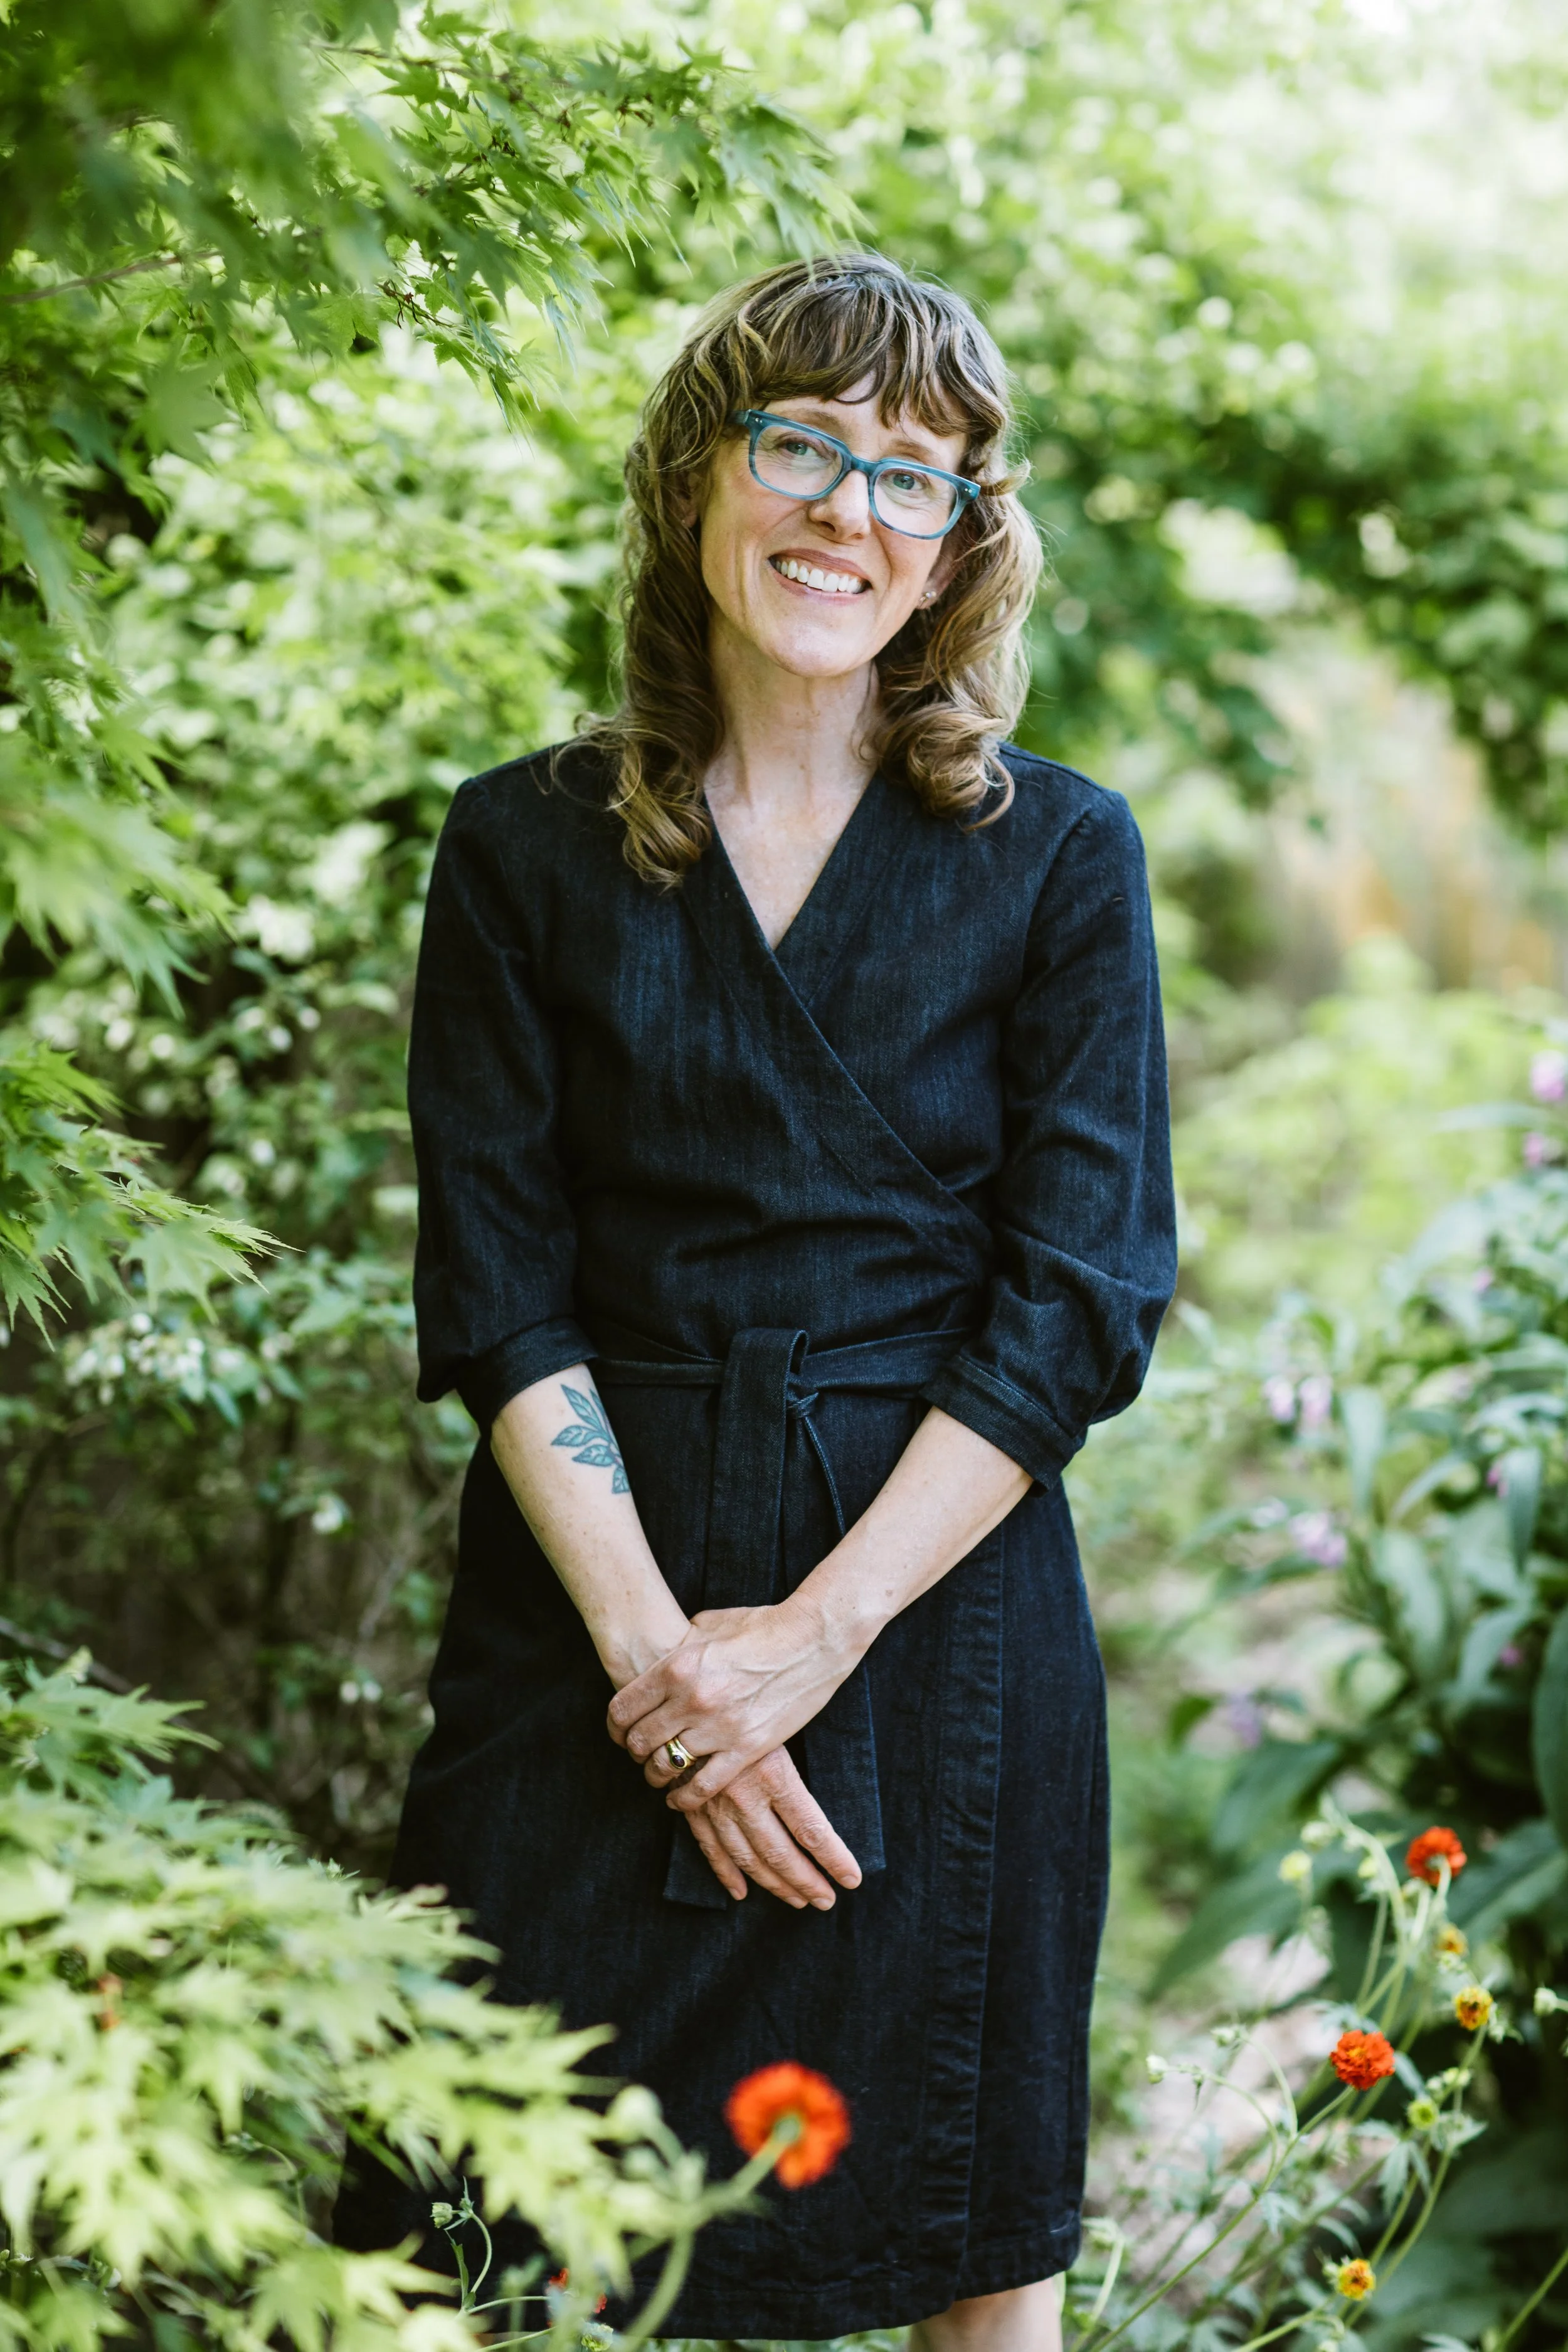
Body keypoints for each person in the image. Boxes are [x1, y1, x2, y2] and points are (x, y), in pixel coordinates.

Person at [334, 252, 1177, 2351]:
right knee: (463, 2225)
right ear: (698, 478)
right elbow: (500, 1285)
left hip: (928, 1616)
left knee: (962, 2236)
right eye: (798, 443)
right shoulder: (518, 847)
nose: (844, 510)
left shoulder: (1059, 857)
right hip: (579, 1611)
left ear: (964, 535)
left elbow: (1073, 1302)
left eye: (912, 473)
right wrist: (665, 1678)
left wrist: (808, 1639)